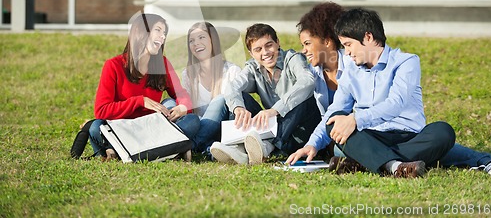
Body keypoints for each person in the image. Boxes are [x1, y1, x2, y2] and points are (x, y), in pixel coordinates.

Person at [287, 3, 491, 176]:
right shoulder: (352, 71)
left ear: (368, 38)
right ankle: (395, 167)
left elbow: (394, 104)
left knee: (443, 133)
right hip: (372, 137)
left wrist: (356, 119)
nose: (347, 52)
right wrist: (312, 145)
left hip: (410, 136)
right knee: (333, 125)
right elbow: (336, 109)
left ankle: (370, 163)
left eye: (349, 45)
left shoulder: (406, 62)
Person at [88, 13, 200, 160]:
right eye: (158, 30)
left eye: (164, 33)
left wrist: (183, 107)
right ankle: (169, 149)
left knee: (192, 121)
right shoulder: (113, 65)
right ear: (141, 32)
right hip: (124, 128)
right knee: (96, 127)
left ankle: (122, 151)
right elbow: (101, 111)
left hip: (151, 129)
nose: (163, 37)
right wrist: (139, 101)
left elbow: (181, 93)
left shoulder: (163, 63)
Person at [210, 23, 321, 165]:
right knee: (240, 99)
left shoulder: (292, 58)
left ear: (277, 43)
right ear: (251, 53)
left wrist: (275, 110)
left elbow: (308, 81)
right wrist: (238, 108)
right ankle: (239, 148)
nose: (265, 52)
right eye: (258, 49)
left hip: (299, 133)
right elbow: (232, 87)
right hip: (273, 129)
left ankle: (267, 147)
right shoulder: (253, 68)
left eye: (269, 45)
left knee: (303, 99)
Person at [182, 21, 241, 154]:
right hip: (200, 129)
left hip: (224, 130)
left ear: (213, 41)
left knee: (221, 99)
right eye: (191, 40)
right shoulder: (188, 75)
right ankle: (207, 148)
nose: (196, 43)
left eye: (201, 37)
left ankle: (190, 147)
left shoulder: (232, 71)